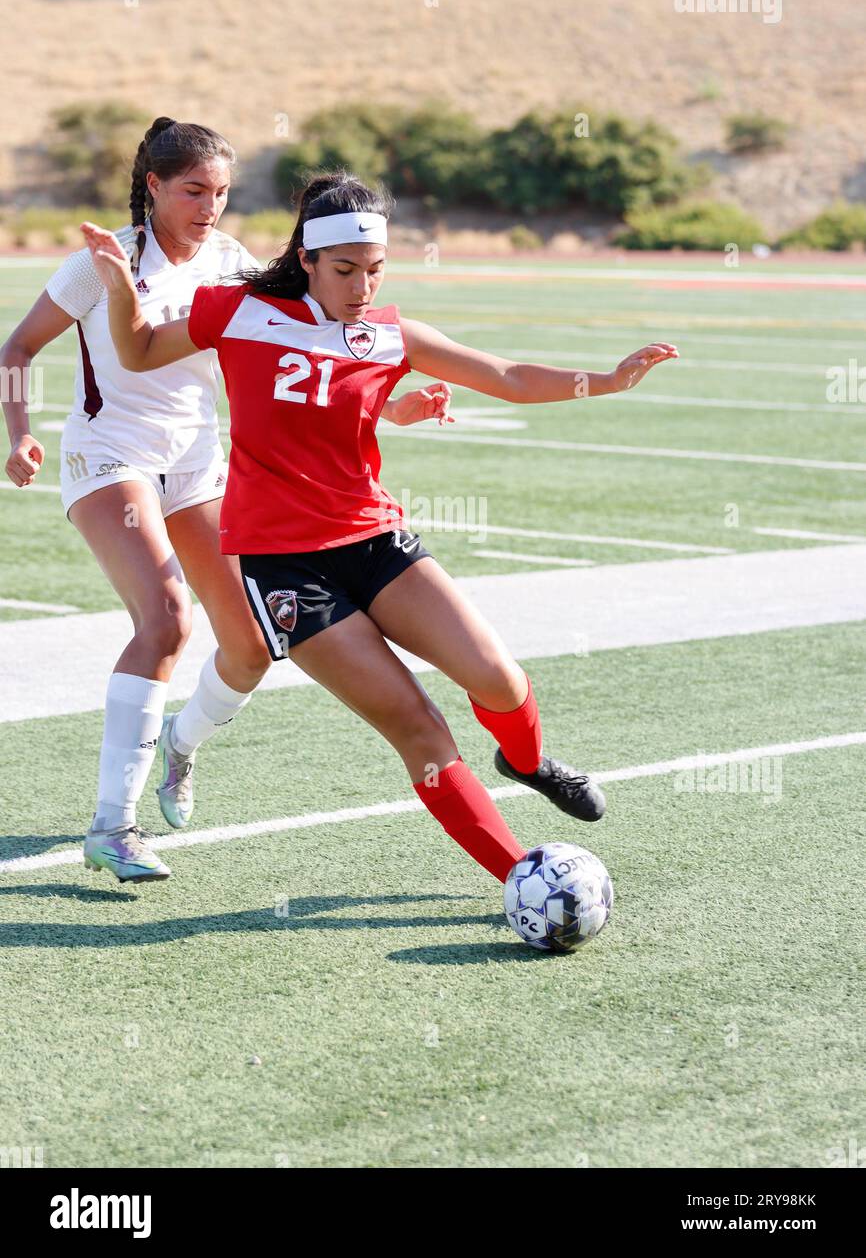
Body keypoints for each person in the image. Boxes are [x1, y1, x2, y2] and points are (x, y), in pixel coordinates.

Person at [79, 171, 678, 887]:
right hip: (285, 568)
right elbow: (141, 349)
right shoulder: (238, 311)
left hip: (374, 540)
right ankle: (521, 875)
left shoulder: (391, 335)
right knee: (420, 728)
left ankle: (525, 760)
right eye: (344, 271)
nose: (362, 287)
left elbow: (510, 374)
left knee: (501, 679)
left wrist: (604, 381)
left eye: (375, 271)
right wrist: (119, 288)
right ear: (306, 259)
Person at [0, 128, 452, 884]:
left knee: (251, 646)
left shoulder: (234, 263)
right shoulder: (99, 262)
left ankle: (180, 742)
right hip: (109, 456)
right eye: (193, 191)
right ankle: (113, 826)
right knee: (167, 617)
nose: (210, 207)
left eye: (221, 193)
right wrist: (18, 434)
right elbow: (15, 350)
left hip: (196, 463)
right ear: (152, 185)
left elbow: (319, 355)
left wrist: (393, 412)